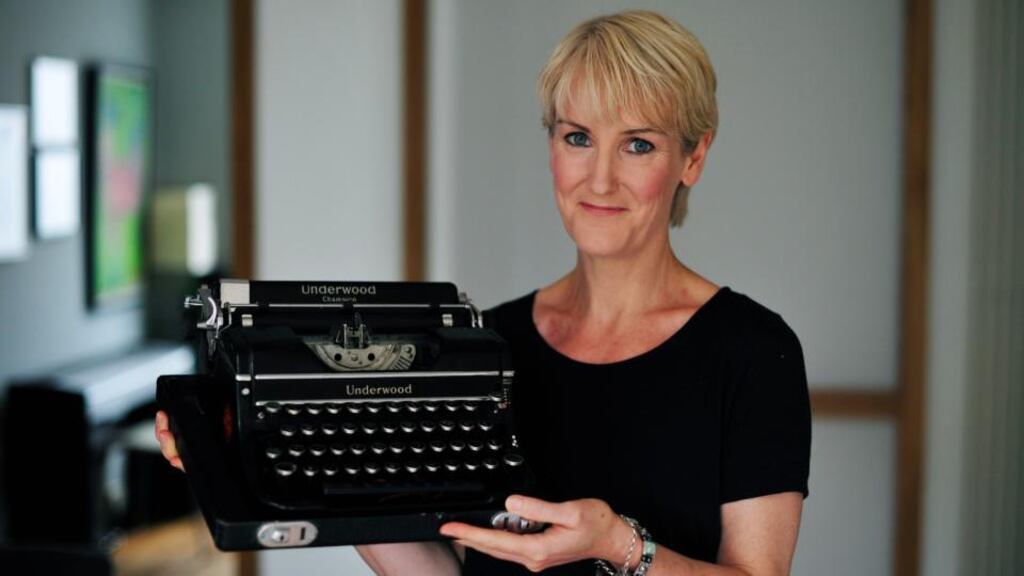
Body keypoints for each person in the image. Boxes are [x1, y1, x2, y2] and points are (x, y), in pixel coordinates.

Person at [156, 9, 810, 575]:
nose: (599, 179)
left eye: (638, 144)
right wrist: (247, 454)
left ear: (693, 158)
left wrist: (620, 545)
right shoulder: (483, 344)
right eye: (578, 137)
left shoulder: (753, 351)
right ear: (552, 146)